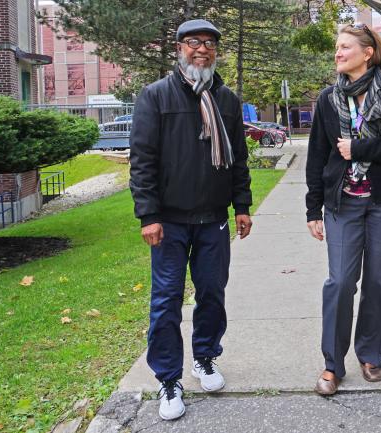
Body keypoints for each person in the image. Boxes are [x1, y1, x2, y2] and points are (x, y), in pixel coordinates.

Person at [129, 19, 253, 420]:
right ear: (179, 48)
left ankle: (205, 357)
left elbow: (238, 159)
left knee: (212, 292)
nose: (202, 49)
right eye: (193, 42)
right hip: (168, 221)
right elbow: (143, 161)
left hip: (213, 218)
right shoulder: (155, 96)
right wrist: (148, 214)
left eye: (210, 43)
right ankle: (168, 379)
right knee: (165, 302)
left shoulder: (227, 100)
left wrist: (243, 206)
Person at [305, 23, 381, 395]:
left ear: (367, 53)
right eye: (336, 48)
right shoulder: (327, 99)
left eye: (344, 47)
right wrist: (312, 208)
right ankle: (332, 365)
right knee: (339, 283)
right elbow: (318, 156)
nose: (337, 53)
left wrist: (362, 148)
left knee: (378, 281)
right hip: (343, 204)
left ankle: (371, 355)